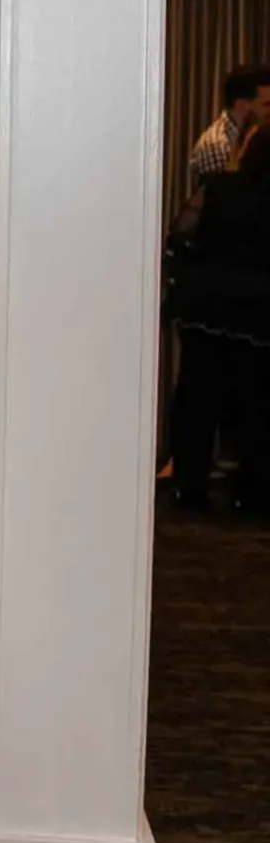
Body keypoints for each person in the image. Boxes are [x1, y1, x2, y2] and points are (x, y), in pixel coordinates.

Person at [169, 134, 270, 512]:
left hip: (207, 304)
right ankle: (253, 491)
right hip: (259, 309)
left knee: (197, 399)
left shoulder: (217, 186)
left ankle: (188, 484)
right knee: (257, 403)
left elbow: (182, 227)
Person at [189, 66, 270, 187]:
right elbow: (225, 199)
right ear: (241, 104)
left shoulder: (246, 138)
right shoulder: (217, 145)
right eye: (266, 105)